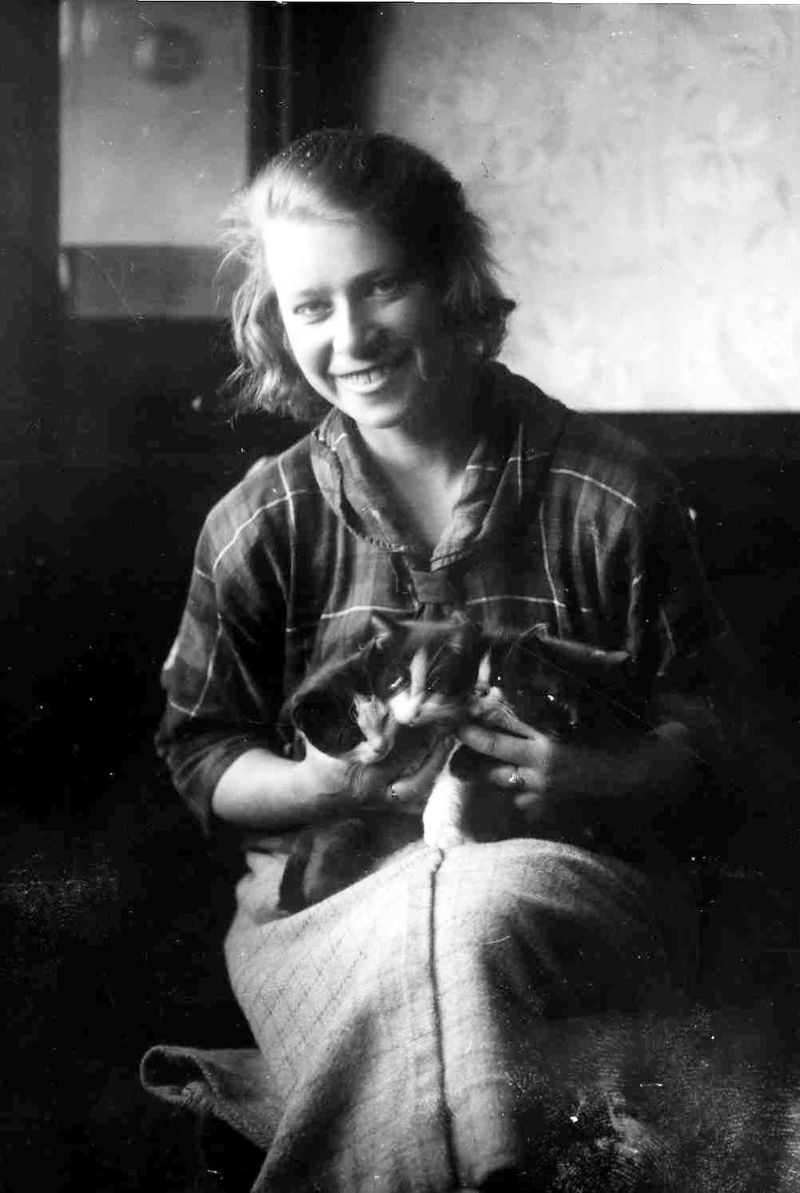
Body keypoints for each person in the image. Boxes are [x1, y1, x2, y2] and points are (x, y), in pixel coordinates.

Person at [144, 129, 742, 1192]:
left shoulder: (612, 495)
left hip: (560, 890)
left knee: (467, 914)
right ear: (275, 322)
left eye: (382, 286)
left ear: (452, 282)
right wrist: (324, 785)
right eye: (310, 305)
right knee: (415, 944)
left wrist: (599, 777)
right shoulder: (259, 521)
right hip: (325, 910)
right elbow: (200, 750)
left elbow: (713, 733)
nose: (350, 336)